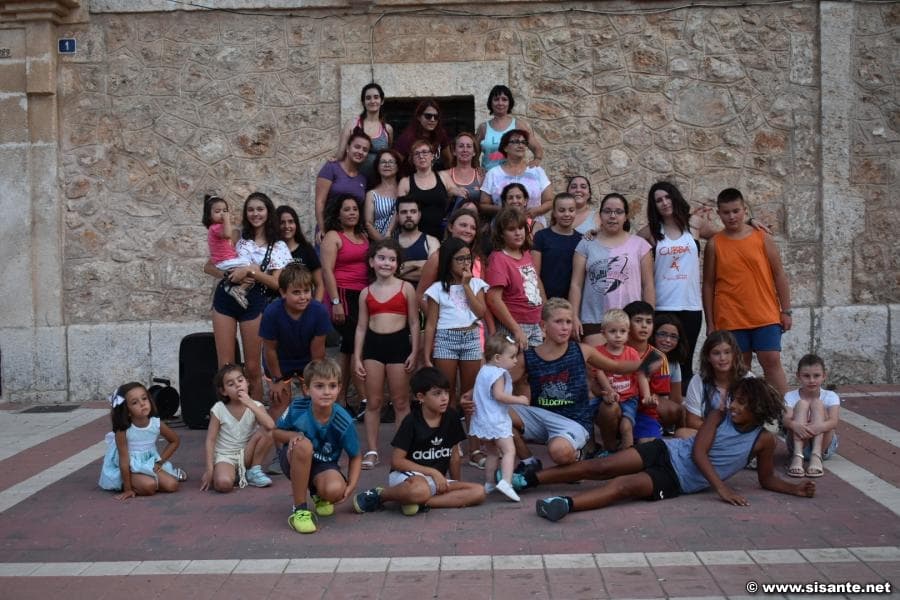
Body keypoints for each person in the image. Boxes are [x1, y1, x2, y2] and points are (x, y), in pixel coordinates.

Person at [531, 378, 816, 521]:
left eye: (742, 403)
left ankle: (563, 505)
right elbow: (698, 453)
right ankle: (529, 479)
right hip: (666, 451)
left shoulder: (764, 440)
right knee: (600, 467)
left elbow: (767, 479)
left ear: (759, 408)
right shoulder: (718, 417)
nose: (734, 406)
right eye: (734, 399)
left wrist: (795, 489)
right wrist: (722, 489)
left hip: (677, 480)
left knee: (624, 487)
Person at [501, 298, 647, 469]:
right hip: (540, 417)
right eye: (558, 322)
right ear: (543, 326)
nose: (565, 327)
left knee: (559, 452)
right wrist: (476, 396)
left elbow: (616, 366)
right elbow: (498, 381)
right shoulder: (527, 357)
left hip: (574, 421)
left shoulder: (582, 350)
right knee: (494, 412)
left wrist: (647, 363)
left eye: (568, 322)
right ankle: (529, 461)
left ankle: (578, 454)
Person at [353, 367, 486, 515]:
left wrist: (455, 485)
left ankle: (420, 502)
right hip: (408, 476)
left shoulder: (451, 416)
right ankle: (381, 494)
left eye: (446, 392)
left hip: (434, 481)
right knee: (419, 490)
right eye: (437, 393)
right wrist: (433, 472)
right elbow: (397, 462)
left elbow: (454, 456)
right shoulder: (411, 421)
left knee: (479, 492)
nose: (444, 398)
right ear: (421, 397)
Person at [703, 187, 792, 396]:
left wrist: (786, 310)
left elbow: (779, 274)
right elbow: (708, 284)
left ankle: (784, 410)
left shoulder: (761, 237)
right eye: (726, 212)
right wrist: (710, 323)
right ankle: (743, 411)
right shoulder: (715, 244)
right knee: (740, 367)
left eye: (736, 211)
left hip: (765, 312)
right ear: (719, 214)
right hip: (730, 316)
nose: (732, 216)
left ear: (745, 210)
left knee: (771, 360)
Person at [206, 192, 291, 401]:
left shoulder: (278, 246)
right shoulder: (237, 236)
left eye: (260, 209)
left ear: (268, 212)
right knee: (226, 367)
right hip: (226, 297)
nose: (255, 214)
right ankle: (228, 416)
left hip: (254, 301)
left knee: (252, 368)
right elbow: (209, 266)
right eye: (251, 209)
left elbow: (277, 283)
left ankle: (255, 414)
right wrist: (229, 274)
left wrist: (250, 271)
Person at [273, 358, 362, 534]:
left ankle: (317, 493)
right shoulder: (297, 407)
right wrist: (292, 436)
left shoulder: (344, 420)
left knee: (335, 490)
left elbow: (356, 456)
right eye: (319, 386)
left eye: (332, 386)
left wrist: (351, 485)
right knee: (303, 444)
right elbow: (275, 432)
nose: (326, 392)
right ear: (306, 389)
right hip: (293, 459)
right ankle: (300, 510)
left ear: (339, 388)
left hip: (323, 465)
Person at [354, 239, 419, 470]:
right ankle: (372, 450)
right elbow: (361, 327)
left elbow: (414, 322)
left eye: (392, 259)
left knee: (401, 401)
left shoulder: (406, 288)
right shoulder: (365, 293)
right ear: (372, 261)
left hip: (399, 345)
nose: (386, 263)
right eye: (381, 258)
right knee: (373, 402)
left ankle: (401, 451)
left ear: (397, 264)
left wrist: (415, 351)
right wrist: (357, 357)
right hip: (374, 347)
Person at [636, 182, 703, 393]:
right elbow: (623, 242)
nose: (664, 203)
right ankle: (654, 404)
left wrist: (750, 221)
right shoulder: (651, 232)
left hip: (691, 306)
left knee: (685, 361)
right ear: (654, 205)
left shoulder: (694, 223)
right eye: (659, 200)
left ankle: (682, 408)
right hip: (663, 306)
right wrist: (596, 233)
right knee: (656, 361)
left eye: (667, 197)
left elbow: (725, 232)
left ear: (675, 197)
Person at [569, 193, 654, 346]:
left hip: (630, 321)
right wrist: (573, 316)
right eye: (607, 211)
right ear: (600, 215)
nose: (612, 216)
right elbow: (576, 284)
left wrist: (649, 319)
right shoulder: (586, 244)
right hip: (594, 320)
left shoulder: (640, 245)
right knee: (596, 362)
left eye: (618, 212)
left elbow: (648, 286)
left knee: (628, 361)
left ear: (626, 216)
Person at [423, 237, 488, 413]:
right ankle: (451, 431)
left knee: (470, 395)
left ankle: (472, 431)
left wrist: (466, 286)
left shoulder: (476, 284)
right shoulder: (437, 288)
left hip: (471, 338)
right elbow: (431, 324)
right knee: (446, 393)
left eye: (468, 258)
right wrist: (427, 355)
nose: (465, 263)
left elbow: (480, 312)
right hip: (446, 339)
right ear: (448, 261)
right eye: (460, 259)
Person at [320, 194, 370, 408]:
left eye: (355, 209)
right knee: (353, 343)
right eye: (346, 209)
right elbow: (327, 271)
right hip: (342, 294)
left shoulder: (363, 236)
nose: (352, 213)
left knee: (350, 347)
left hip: (362, 294)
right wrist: (335, 302)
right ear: (338, 214)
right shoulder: (333, 236)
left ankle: (341, 399)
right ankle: (363, 399)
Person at [260, 263, 331, 408]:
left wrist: (315, 380)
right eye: (296, 292)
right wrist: (277, 379)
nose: (303, 297)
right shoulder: (272, 312)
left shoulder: (319, 312)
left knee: (316, 403)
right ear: (283, 292)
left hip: (307, 359)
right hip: (280, 360)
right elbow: (270, 350)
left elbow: (318, 352)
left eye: (307, 291)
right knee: (280, 406)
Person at [98, 382, 185, 499]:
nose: (142, 403)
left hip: (149, 462)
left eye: (144, 398)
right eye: (135, 402)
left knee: (172, 485)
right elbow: (124, 460)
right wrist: (128, 489)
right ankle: (132, 482)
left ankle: (147, 478)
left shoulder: (156, 424)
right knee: (149, 486)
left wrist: (160, 462)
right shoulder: (123, 431)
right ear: (127, 411)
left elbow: (175, 441)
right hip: (130, 466)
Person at [471, 334, 531, 501]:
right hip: (496, 420)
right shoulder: (498, 373)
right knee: (509, 451)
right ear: (497, 358)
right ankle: (506, 481)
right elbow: (499, 396)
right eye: (512, 357)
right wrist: (519, 400)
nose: (515, 361)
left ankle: (489, 483)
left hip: (482, 420)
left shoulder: (484, 370)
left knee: (492, 453)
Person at [200, 364, 275, 492]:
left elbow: (271, 426)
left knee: (270, 430)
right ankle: (233, 474)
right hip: (225, 457)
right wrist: (210, 469)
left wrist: (250, 403)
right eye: (231, 384)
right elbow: (210, 440)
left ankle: (254, 470)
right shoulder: (219, 409)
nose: (237, 385)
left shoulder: (255, 406)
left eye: (240, 380)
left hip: (247, 454)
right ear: (224, 391)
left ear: (247, 383)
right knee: (223, 484)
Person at [486, 207, 546, 350]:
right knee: (514, 362)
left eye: (521, 228)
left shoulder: (525, 253)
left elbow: (536, 283)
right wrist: (516, 329)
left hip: (535, 322)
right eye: (511, 229)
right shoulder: (498, 258)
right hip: (514, 324)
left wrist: (545, 315)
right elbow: (493, 299)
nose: (518, 233)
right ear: (501, 234)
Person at [593, 309, 651, 451]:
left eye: (622, 331)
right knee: (596, 413)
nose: (618, 335)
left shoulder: (632, 353)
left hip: (629, 399)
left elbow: (641, 375)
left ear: (628, 333)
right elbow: (599, 372)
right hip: (605, 397)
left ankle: (627, 455)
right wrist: (609, 390)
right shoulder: (598, 352)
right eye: (613, 331)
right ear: (603, 333)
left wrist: (647, 396)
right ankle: (608, 448)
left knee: (626, 427)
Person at [623, 301, 681, 440]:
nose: (644, 326)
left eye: (648, 322)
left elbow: (661, 397)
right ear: (626, 324)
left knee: (650, 447)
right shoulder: (616, 350)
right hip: (619, 407)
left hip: (644, 412)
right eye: (638, 321)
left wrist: (651, 399)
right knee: (609, 411)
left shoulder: (657, 357)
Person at [682, 330, 752, 435]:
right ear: (708, 357)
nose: (722, 358)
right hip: (710, 434)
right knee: (683, 433)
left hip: (740, 434)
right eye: (716, 353)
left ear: (734, 354)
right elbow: (693, 421)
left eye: (727, 352)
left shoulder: (748, 379)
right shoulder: (698, 380)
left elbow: (755, 418)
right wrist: (721, 434)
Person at [784, 354, 840, 478]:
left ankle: (816, 456)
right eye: (806, 376)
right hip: (799, 443)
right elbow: (786, 419)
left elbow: (834, 421)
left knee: (817, 403)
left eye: (816, 376)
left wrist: (816, 427)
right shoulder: (790, 396)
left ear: (824, 376)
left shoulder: (830, 396)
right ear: (798, 376)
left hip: (824, 446)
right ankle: (797, 457)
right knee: (802, 404)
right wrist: (795, 425)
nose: (812, 380)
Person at [416, 208, 482, 308]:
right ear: (451, 227)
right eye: (463, 225)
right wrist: (436, 317)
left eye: (473, 228)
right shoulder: (437, 258)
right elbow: (421, 295)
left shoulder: (477, 260)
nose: (468, 230)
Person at [480, 129, 553, 218]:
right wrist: (504, 210)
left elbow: (549, 201)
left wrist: (536, 211)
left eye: (523, 142)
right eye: (515, 142)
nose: (521, 145)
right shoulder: (493, 173)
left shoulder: (536, 171)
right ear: (505, 148)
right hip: (503, 223)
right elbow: (483, 205)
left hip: (534, 223)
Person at [315, 131, 371, 242]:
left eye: (365, 150)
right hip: (329, 229)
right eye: (357, 147)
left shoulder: (362, 179)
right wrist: (322, 228)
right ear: (348, 148)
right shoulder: (331, 167)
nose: (360, 152)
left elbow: (360, 209)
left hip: (352, 235)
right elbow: (320, 201)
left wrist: (361, 230)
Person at [398, 139, 459, 240]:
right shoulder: (405, 182)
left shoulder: (443, 176)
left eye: (425, 152)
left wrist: (453, 191)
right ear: (412, 159)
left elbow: (454, 191)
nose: (421, 156)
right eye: (416, 154)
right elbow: (400, 211)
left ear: (432, 156)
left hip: (442, 233)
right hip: (415, 235)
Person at [334, 82, 393, 184]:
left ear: (382, 101)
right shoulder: (352, 124)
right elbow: (340, 155)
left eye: (376, 97)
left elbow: (388, 155)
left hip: (378, 183)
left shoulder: (387, 129)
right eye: (368, 98)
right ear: (363, 102)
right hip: (353, 181)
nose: (372, 101)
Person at [476, 85, 544, 170]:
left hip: (512, 176)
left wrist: (537, 160)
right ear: (491, 102)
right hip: (488, 176)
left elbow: (536, 147)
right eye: (496, 99)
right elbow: (474, 154)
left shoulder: (518, 125)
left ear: (509, 103)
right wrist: (477, 169)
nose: (500, 103)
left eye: (504, 99)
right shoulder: (483, 128)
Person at [203, 194, 252, 308]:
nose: (222, 214)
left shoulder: (218, 227)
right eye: (217, 211)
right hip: (224, 261)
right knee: (249, 266)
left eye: (225, 211)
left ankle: (237, 289)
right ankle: (236, 289)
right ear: (209, 216)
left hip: (226, 260)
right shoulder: (215, 227)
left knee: (248, 272)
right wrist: (226, 220)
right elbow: (228, 234)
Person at [532, 192, 583, 300]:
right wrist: (545, 303)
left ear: (576, 212)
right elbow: (534, 274)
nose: (567, 214)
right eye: (561, 210)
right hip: (544, 299)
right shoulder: (541, 236)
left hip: (570, 302)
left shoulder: (581, 240)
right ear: (554, 212)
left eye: (571, 210)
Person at [276, 205, 324, 301]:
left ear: (296, 224)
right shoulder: (271, 251)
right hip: (278, 304)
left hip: (303, 304)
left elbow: (320, 285)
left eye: (291, 222)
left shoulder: (306, 249)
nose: (287, 226)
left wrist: (315, 306)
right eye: (282, 222)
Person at [394, 98, 452, 175]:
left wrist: (450, 178)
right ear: (419, 117)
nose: (432, 119)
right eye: (428, 116)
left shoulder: (440, 134)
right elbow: (395, 165)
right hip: (410, 178)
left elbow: (448, 160)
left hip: (431, 177)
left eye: (436, 117)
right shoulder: (407, 138)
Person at [394, 196, 439, 285]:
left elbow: (433, 273)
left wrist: (398, 270)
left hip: (423, 293)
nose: (408, 215)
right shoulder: (390, 243)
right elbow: (384, 272)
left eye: (413, 211)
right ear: (397, 217)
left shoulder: (431, 241)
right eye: (404, 212)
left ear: (419, 215)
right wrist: (419, 264)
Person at [439, 132, 484, 212]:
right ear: (454, 151)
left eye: (469, 146)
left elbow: (486, 203)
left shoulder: (481, 175)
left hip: (476, 218)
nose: (465, 150)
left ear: (474, 152)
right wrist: (450, 193)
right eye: (461, 146)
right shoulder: (443, 175)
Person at [652, 313, 689, 410]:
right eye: (662, 334)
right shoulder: (645, 356)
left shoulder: (673, 363)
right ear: (653, 334)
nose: (668, 340)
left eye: (673, 336)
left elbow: (676, 399)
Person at [364, 149, 401, 240]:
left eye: (391, 162)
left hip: (403, 241)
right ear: (377, 167)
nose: (387, 165)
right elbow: (368, 224)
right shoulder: (371, 194)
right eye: (383, 162)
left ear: (397, 166)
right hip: (379, 241)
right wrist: (384, 243)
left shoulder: (404, 189)